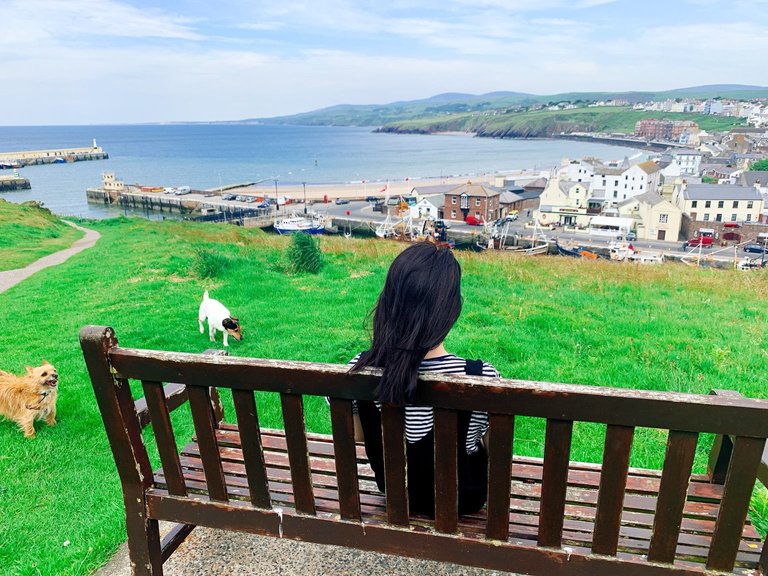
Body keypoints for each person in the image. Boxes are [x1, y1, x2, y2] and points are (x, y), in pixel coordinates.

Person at [349, 242, 499, 517]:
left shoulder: (359, 369)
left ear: (389, 302)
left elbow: (359, 433)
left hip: (396, 493)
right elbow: (496, 447)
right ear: (451, 311)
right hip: (463, 502)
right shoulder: (481, 377)